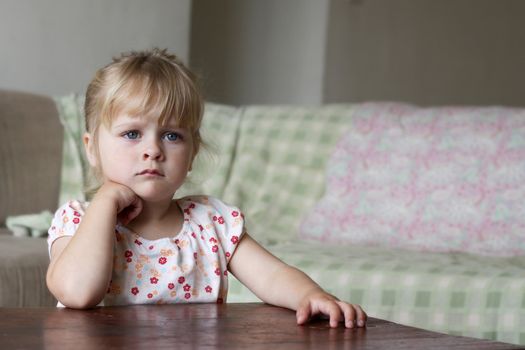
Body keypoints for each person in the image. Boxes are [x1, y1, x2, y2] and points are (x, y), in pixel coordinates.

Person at [46, 48, 367, 329]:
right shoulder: (77, 221)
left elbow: (272, 276)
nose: (153, 149)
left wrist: (311, 295)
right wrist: (105, 200)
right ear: (92, 149)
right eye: (132, 133)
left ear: (192, 154)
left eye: (172, 135)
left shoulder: (211, 221)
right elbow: (76, 292)